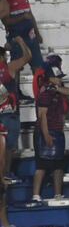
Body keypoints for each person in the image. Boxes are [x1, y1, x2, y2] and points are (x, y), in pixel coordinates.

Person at [31, 59, 69, 202]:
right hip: (45, 131)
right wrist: (46, 135)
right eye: (57, 78)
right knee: (42, 164)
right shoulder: (45, 93)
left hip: (58, 129)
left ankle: (58, 194)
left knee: (58, 165)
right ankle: (36, 195)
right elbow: (42, 116)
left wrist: (57, 88)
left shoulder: (56, 90)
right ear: (51, 78)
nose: (60, 80)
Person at [0, 37, 30, 177]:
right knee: (8, 148)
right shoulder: (9, 67)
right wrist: (21, 41)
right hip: (9, 114)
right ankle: (5, 174)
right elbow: (28, 56)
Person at [1, 0, 44, 72]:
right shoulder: (5, 0)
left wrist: (37, 33)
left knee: (38, 66)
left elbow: (30, 15)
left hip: (31, 37)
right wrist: (22, 17)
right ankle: (14, 88)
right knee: (16, 67)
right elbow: (6, 22)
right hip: (17, 39)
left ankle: (39, 86)